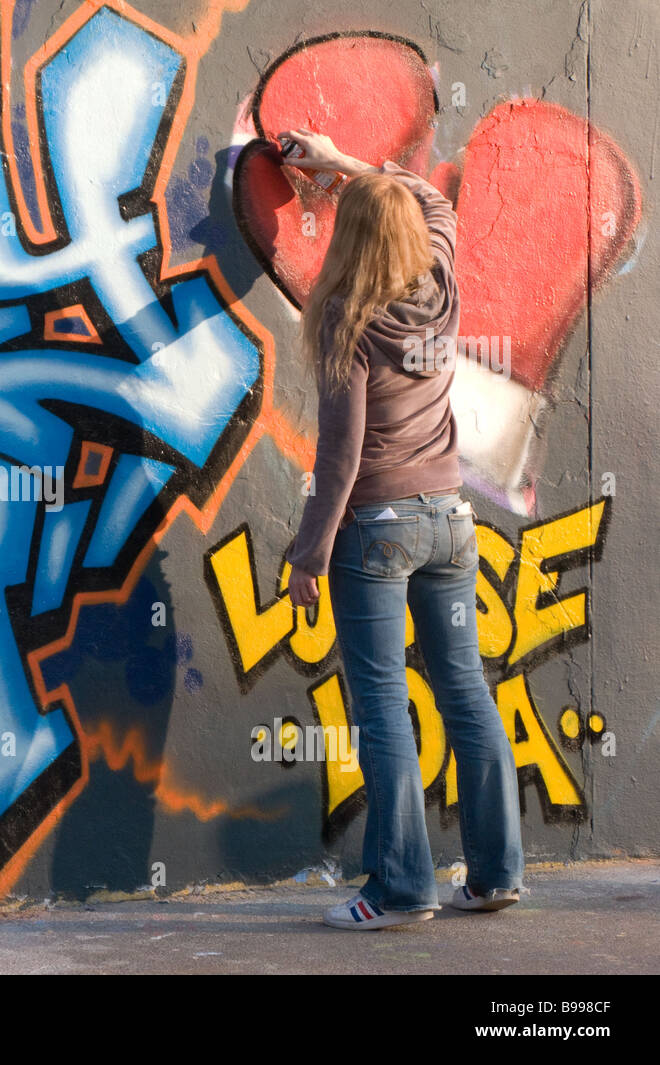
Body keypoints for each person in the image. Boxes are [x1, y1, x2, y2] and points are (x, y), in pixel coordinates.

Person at [280, 129, 524, 931]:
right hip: (452, 520)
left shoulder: (345, 324)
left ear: (348, 237)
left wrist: (309, 554)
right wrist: (349, 163)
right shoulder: (443, 287)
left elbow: (341, 460)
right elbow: (436, 201)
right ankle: (494, 876)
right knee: (465, 692)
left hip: (377, 530)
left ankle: (401, 888)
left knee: (383, 703)